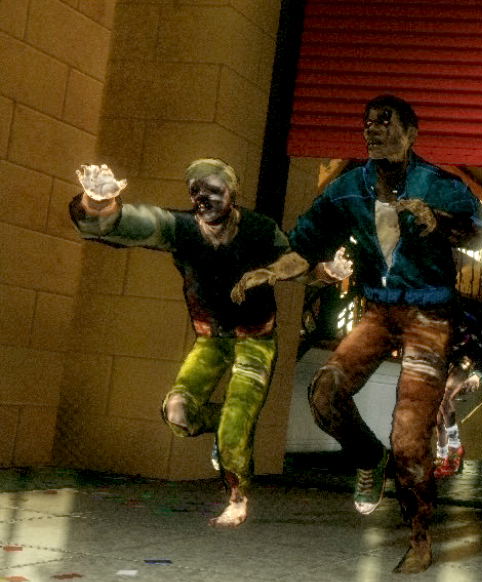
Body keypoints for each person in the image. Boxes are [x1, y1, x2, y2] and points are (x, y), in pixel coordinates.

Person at [233, 94, 482, 573]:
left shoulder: (441, 185)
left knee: (409, 436)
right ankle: (369, 458)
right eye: (368, 123)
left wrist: (439, 222)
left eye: (384, 122)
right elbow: (306, 246)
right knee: (324, 392)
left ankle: (419, 535)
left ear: (410, 133)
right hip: (377, 309)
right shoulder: (348, 189)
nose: (373, 130)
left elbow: (480, 232)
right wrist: (271, 272)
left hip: (429, 315)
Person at [68, 159, 315, 528]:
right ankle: (225, 421)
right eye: (196, 190)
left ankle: (237, 496)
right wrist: (98, 202)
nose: (204, 197)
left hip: (255, 340)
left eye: (214, 189)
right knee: (178, 415)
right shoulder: (181, 228)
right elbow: (128, 224)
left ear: (232, 192)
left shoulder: (260, 229)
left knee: (235, 427)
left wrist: (325, 272)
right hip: (211, 339)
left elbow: (298, 264)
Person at [432, 302, 482, 479]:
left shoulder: (467, 321)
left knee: (446, 396)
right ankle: (443, 457)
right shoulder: (431, 320)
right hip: (444, 365)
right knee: (438, 418)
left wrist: (477, 375)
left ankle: (454, 446)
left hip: (464, 363)